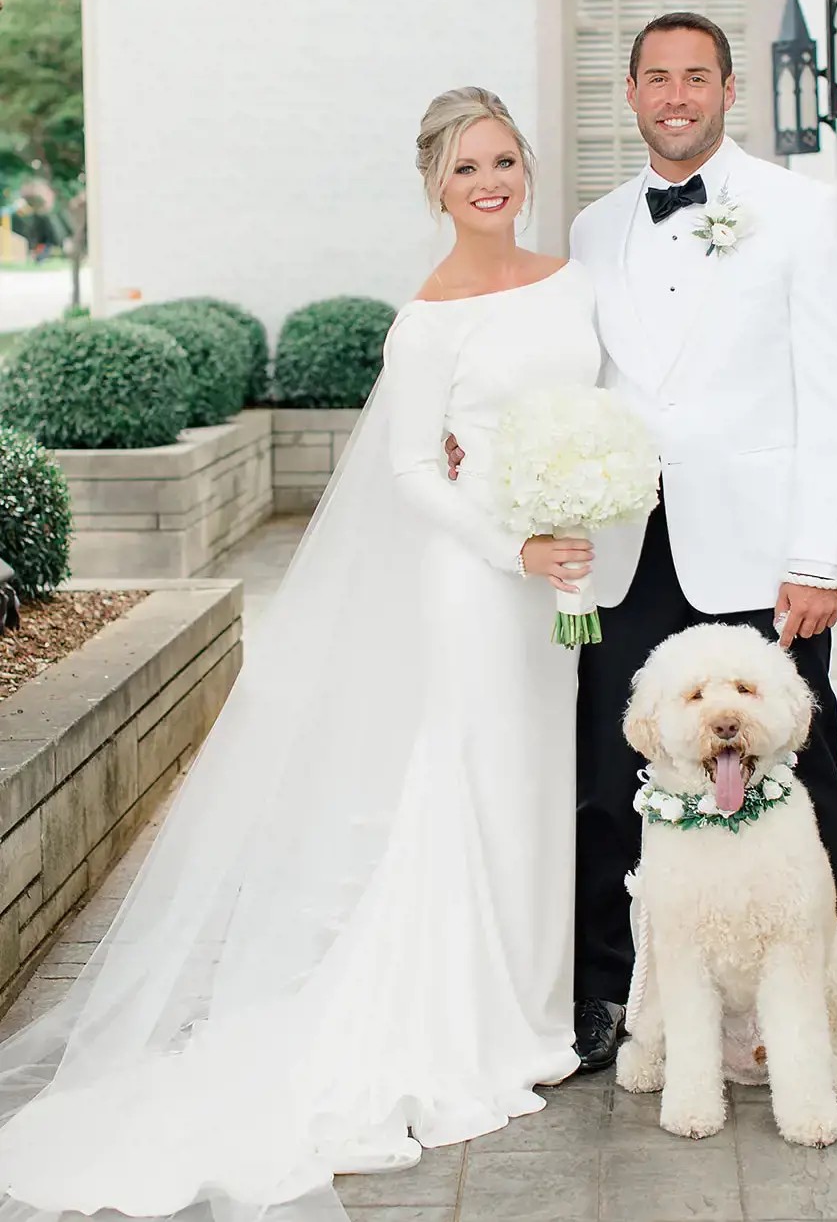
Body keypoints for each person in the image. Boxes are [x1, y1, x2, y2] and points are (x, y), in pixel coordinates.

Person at [0, 87, 601, 1221]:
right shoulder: (426, 321)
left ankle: (535, 1006)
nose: (491, 183)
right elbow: (415, 472)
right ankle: (473, 1023)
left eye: (505, 160)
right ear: (434, 185)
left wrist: (584, 517)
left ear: (527, 165)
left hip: (562, 579)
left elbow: (594, 414)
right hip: (480, 580)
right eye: (467, 167)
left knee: (537, 787)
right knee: (474, 787)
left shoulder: (572, 283)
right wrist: (513, 543)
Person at [450, 12, 837, 1075]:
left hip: (760, 556)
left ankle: (823, 1009)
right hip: (626, 549)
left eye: (696, 78)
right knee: (608, 775)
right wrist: (477, 444)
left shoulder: (801, 211)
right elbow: (564, 378)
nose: (675, 96)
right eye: (656, 79)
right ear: (629, 95)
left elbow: (836, 393)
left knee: (797, 779)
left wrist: (818, 559)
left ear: (728, 90)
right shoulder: (593, 230)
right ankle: (605, 998)